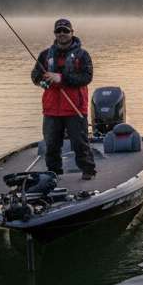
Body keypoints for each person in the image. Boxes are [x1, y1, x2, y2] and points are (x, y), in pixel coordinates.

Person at [31, 18, 96, 180]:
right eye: (58, 31)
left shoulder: (83, 55)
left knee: (79, 143)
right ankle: (54, 173)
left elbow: (86, 77)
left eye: (65, 31)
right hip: (51, 109)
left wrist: (62, 78)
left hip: (75, 107)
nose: (62, 34)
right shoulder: (45, 55)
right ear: (55, 34)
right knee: (51, 145)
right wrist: (43, 80)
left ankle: (88, 170)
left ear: (72, 33)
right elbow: (34, 77)